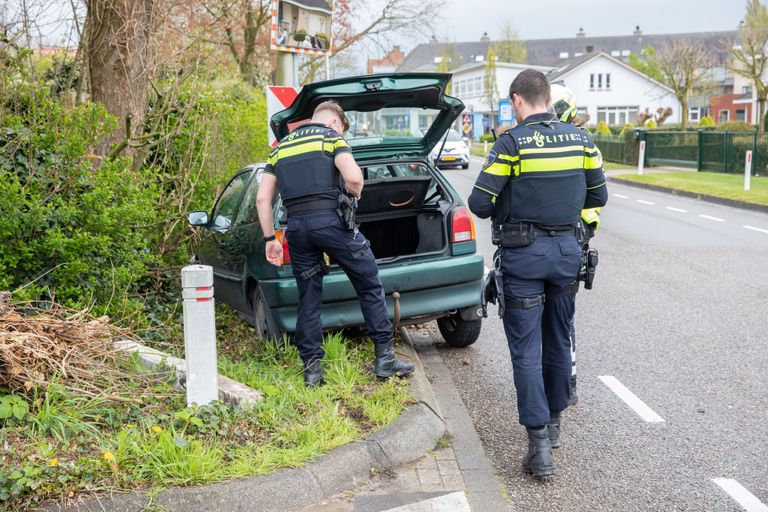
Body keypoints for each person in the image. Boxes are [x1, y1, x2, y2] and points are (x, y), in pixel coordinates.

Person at [468, 70, 607, 477]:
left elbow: (479, 202)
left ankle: (539, 447)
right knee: (559, 340)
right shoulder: (583, 141)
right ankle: (556, 424)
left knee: (526, 350)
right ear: (548, 97)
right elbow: (598, 195)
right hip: (567, 253)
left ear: (517, 100)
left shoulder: (510, 144)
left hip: (523, 257)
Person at [256, 100, 415, 387]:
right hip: (331, 224)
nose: (342, 133)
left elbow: (262, 198)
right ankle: (384, 359)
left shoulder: (280, 148)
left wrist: (271, 239)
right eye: (342, 128)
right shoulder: (330, 138)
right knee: (368, 283)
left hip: (297, 229)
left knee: (309, 296)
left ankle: (313, 370)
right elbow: (354, 177)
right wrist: (353, 194)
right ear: (333, 123)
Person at [549, 83, 603, 407]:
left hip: (571, 237)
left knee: (563, 319)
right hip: (565, 240)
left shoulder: (583, 144)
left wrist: (582, 227)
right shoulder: (578, 144)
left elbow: (596, 197)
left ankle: (567, 383)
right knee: (559, 318)